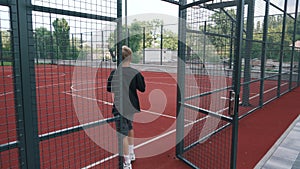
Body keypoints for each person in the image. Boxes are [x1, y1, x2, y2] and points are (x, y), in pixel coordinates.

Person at [107, 46, 145, 169]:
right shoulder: (135, 72)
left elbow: (111, 91)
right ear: (130, 57)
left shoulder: (115, 73)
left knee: (122, 135)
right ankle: (131, 153)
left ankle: (127, 162)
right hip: (132, 106)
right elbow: (142, 88)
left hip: (120, 107)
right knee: (130, 128)